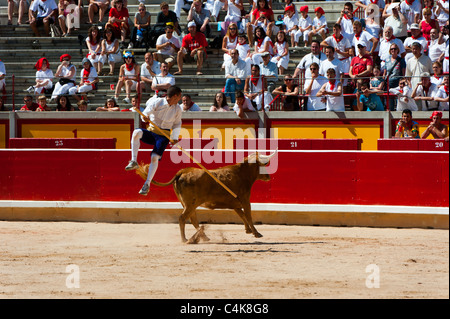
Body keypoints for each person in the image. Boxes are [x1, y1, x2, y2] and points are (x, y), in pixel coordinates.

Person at [125, 86, 183, 196]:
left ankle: (147, 183)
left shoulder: (177, 109)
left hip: (163, 136)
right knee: (136, 133)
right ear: (175, 96)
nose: (180, 98)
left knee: (154, 157)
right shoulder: (157, 101)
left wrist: (175, 137)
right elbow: (146, 113)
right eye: (179, 96)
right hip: (151, 131)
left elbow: (177, 123)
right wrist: (145, 117)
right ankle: (133, 160)